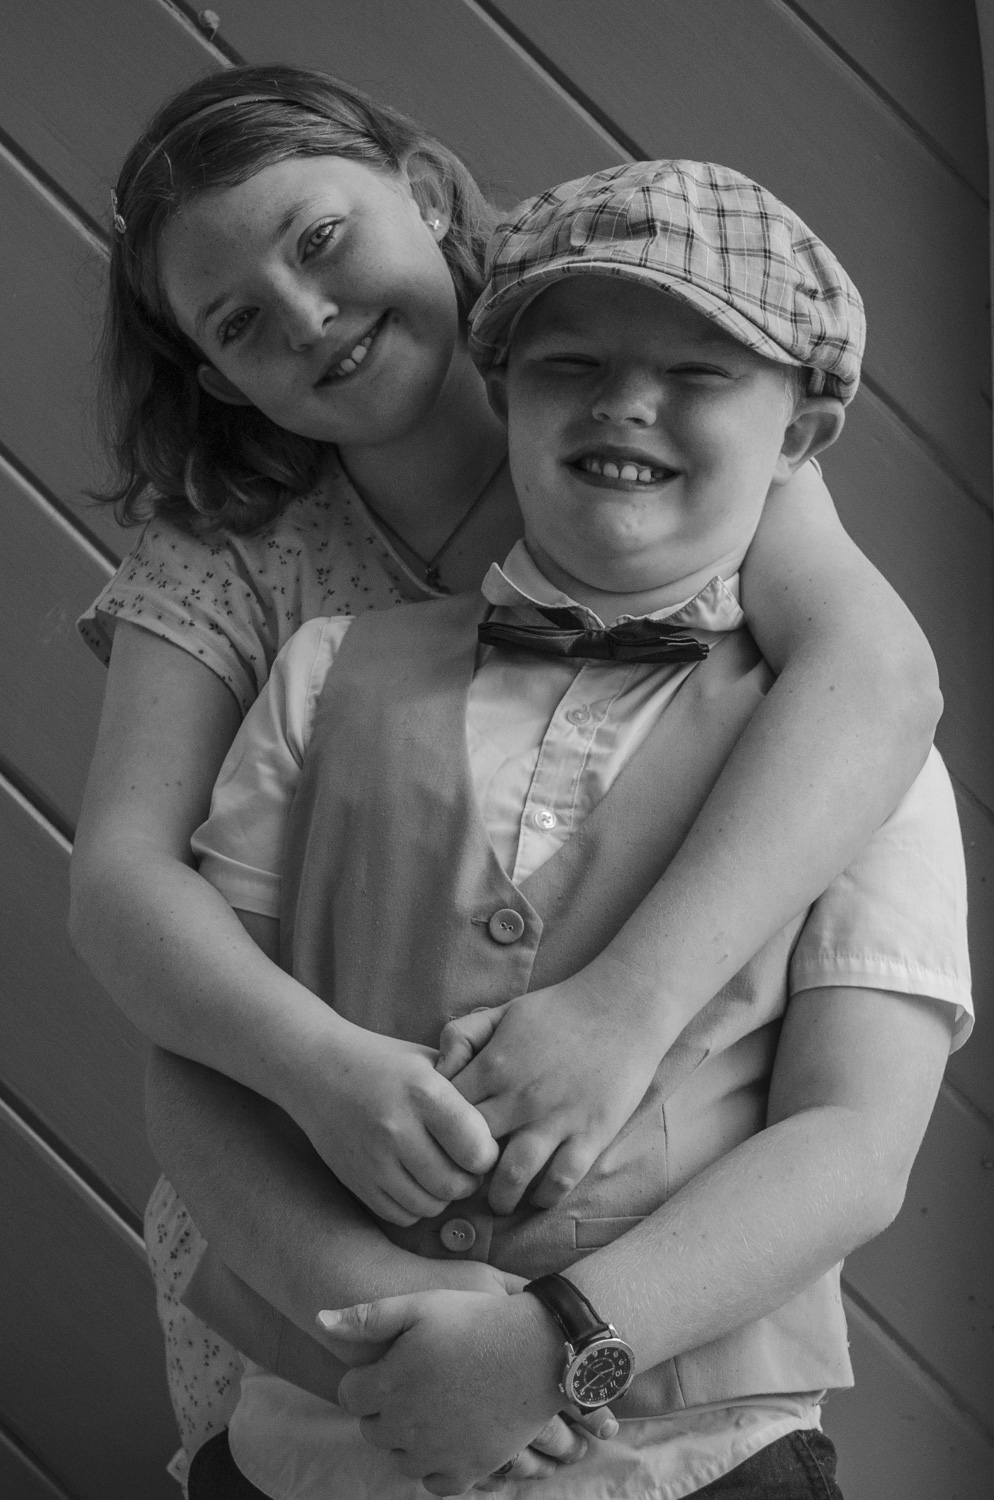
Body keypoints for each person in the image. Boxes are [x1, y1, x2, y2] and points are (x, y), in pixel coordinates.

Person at [69, 65, 940, 1475]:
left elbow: (875, 685)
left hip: (667, 1374)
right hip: (313, 1241)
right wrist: (327, 1082)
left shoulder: (637, 354)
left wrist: (622, 1014)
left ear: (424, 197)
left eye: (322, 241)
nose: (308, 316)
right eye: (240, 322)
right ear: (215, 376)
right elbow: (123, 890)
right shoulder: (245, 567)